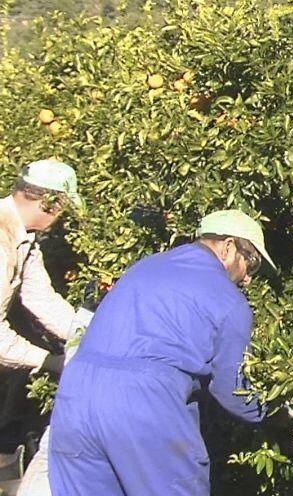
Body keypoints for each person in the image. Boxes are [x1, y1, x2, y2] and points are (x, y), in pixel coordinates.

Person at [47, 210, 280, 495]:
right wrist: (277, 414)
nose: (248, 280)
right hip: (144, 404)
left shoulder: (143, 267)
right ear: (229, 247)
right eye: (252, 264)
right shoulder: (228, 300)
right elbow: (233, 391)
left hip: (75, 396)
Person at [0, 160, 91, 496]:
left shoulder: (23, 239)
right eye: (62, 208)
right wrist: (50, 361)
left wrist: (90, 334)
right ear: (50, 202)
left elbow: (41, 299)